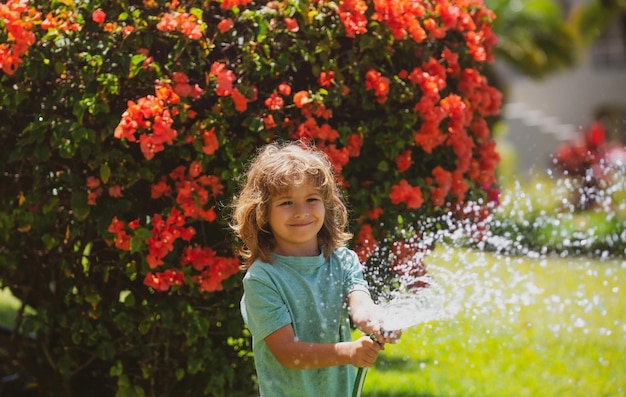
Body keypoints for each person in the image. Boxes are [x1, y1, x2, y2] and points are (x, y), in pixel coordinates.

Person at [231, 141, 398, 396]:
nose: (302, 212)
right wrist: (348, 352)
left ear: (326, 204)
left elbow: (361, 306)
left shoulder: (343, 261)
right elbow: (287, 352)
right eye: (286, 202)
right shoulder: (263, 278)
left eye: (312, 199)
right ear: (262, 212)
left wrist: (377, 323)